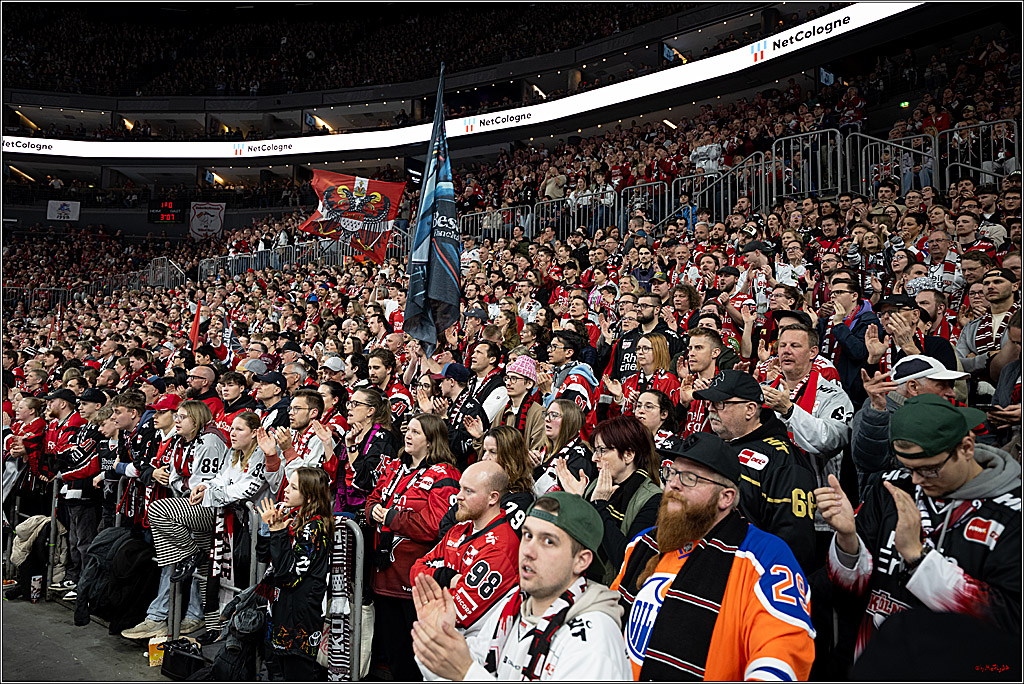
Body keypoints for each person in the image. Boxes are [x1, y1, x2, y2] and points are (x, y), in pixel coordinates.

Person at [815, 394, 1021, 661]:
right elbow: (848, 590)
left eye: (929, 469)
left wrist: (918, 558)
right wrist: (847, 538)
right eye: (908, 468)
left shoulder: (1013, 515)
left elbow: (1010, 618)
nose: (916, 479)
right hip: (875, 662)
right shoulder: (891, 489)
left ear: (967, 447)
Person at [612, 432, 815, 680]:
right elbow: (611, 618)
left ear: (726, 497)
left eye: (690, 478)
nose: (674, 484)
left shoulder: (765, 556)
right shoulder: (644, 542)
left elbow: (782, 653)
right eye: (672, 473)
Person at [410, 492, 632, 681]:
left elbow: (466, 671)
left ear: (581, 560)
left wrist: (467, 674)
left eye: (548, 541)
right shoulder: (514, 605)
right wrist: (436, 639)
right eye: (527, 535)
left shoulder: (594, 640)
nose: (528, 550)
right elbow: (458, 668)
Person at [365, 413, 461, 681]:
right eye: (408, 430)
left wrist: (391, 518)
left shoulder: (445, 474)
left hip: (416, 582)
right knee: (395, 653)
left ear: (431, 440)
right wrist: (373, 510)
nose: (408, 435)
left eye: (416, 432)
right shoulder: (395, 466)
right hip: (384, 575)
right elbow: (374, 497)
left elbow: (435, 525)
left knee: (417, 658)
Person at [695, 370, 818, 572]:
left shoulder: (784, 460)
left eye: (720, 403)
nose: (711, 409)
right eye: (709, 403)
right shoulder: (716, 446)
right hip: (709, 567)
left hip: (753, 579)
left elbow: (794, 543)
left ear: (750, 409)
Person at [411, 461, 520, 638]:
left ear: (493, 498)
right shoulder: (458, 529)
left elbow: (455, 613)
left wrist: (431, 584)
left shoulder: (500, 547)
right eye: (461, 488)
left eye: (468, 491)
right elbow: (416, 570)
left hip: (473, 653)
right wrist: (447, 576)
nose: (458, 496)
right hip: (445, 643)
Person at [556, 415, 662, 584]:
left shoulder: (653, 499)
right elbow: (576, 540)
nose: (594, 458)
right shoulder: (595, 485)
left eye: (602, 451)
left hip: (612, 595)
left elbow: (627, 560)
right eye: (594, 450)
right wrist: (577, 502)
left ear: (628, 455)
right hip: (580, 582)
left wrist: (598, 506)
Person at [256, 467, 334, 681]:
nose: (286, 491)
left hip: (299, 617)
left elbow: (288, 575)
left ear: (308, 496)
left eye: (293, 487)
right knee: (277, 669)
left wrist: (279, 533)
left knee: (297, 673)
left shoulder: (315, 527)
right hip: (282, 610)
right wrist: (270, 528)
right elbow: (263, 556)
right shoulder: (294, 517)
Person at [440, 426, 535, 538]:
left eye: (493, 452)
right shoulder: (478, 486)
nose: (485, 458)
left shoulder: (520, 499)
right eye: (484, 451)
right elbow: (446, 523)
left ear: (511, 457)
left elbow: (495, 539)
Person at [341, 387, 397, 516]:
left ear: (370, 411)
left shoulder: (383, 439)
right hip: (345, 507)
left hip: (369, 513)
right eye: (349, 403)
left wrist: (351, 447)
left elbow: (369, 481)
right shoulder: (350, 434)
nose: (349, 407)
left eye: (356, 404)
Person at [529, 398, 595, 497]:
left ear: (569, 421)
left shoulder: (580, 459)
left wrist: (537, 472)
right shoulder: (545, 450)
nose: (547, 419)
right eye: (546, 414)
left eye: (554, 415)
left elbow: (562, 501)